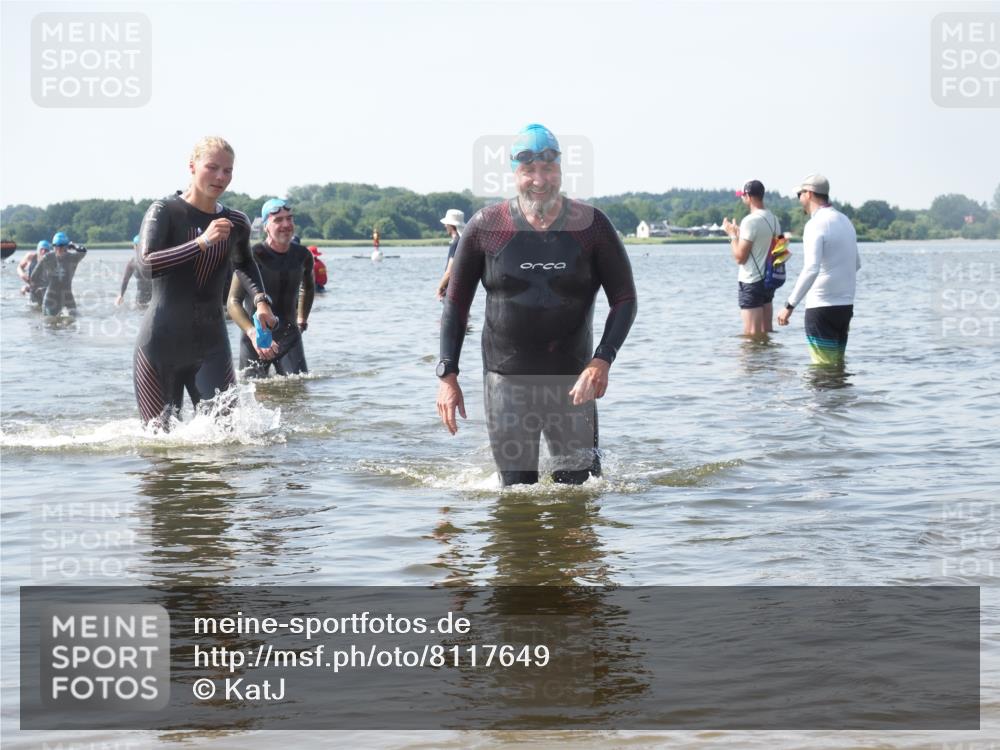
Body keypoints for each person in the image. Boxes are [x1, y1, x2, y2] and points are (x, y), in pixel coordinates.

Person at [436, 123, 638, 487]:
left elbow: (624, 299)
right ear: (516, 172)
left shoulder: (591, 227)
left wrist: (602, 360)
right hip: (506, 381)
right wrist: (447, 374)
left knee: (580, 495)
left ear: (560, 169)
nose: (539, 180)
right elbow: (455, 305)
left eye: (548, 169)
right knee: (516, 496)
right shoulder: (486, 227)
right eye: (529, 170)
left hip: (574, 380)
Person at [132, 136, 276, 429]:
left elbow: (244, 263)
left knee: (225, 439)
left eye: (228, 170)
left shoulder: (236, 222)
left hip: (211, 345)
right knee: (159, 445)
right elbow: (146, 265)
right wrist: (201, 242)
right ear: (192, 166)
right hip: (160, 345)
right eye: (213, 167)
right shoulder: (165, 211)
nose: (221, 177)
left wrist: (261, 301)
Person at [777, 174, 861, 364]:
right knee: (837, 367)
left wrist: (789, 305)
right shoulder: (845, 221)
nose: (799, 199)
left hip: (821, 308)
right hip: (845, 307)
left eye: (800, 194)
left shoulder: (815, 225)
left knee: (822, 370)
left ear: (809, 194)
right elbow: (856, 264)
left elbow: (811, 269)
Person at [227, 198, 314, 377]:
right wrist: (251, 332)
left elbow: (308, 288)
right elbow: (233, 302)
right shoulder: (253, 256)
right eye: (278, 220)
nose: (286, 224)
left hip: (290, 336)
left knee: (297, 393)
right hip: (256, 339)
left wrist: (302, 319)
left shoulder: (303, 255)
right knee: (252, 394)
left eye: (289, 218)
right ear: (266, 226)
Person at [722, 180, 781, 335]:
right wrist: (740, 235)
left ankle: (753, 361)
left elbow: (740, 258)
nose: (741, 198)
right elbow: (775, 249)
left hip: (752, 281)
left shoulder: (750, 220)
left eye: (742, 195)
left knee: (751, 336)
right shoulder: (774, 219)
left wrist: (732, 236)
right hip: (769, 281)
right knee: (766, 331)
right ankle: (769, 360)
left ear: (748, 196)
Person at [30, 231, 87, 316]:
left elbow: (83, 251)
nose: (59, 249)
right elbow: (34, 276)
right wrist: (42, 287)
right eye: (56, 246)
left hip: (67, 295)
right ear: (53, 246)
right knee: (50, 324)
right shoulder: (48, 257)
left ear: (67, 247)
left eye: (61, 246)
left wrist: (73, 245)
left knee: (74, 321)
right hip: (50, 297)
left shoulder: (73, 258)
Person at [435, 209, 466, 300]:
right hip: (462, 289)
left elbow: (449, 271)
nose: (445, 226)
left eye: (446, 224)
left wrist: (439, 288)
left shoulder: (456, 243)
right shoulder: (463, 241)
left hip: (452, 291)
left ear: (451, 225)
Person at [116, 234, 153, 308]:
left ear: (135, 246)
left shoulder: (132, 262)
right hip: (153, 298)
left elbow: (125, 280)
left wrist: (121, 295)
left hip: (142, 299)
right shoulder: (153, 259)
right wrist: (121, 295)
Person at [18, 240, 50, 305]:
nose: (43, 252)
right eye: (41, 249)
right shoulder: (30, 257)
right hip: (32, 285)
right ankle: (26, 288)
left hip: (42, 286)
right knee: (31, 300)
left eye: (46, 250)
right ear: (38, 250)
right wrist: (23, 276)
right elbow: (19, 267)